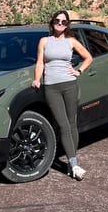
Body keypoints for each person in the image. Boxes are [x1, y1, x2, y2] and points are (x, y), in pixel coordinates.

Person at [32, 10, 93, 181]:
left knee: (72, 123)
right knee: (63, 125)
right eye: (57, 21)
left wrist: (78, 71)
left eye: (64, 22)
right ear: (52, 23)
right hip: (51, 86)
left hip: (69, 84)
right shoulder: (44, 41)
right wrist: (37, 79)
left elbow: (88, 57)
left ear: (67, 25)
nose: (60, 23)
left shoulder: (71, 41)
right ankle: (73, 165)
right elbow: (40, 62)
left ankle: (73, 161)